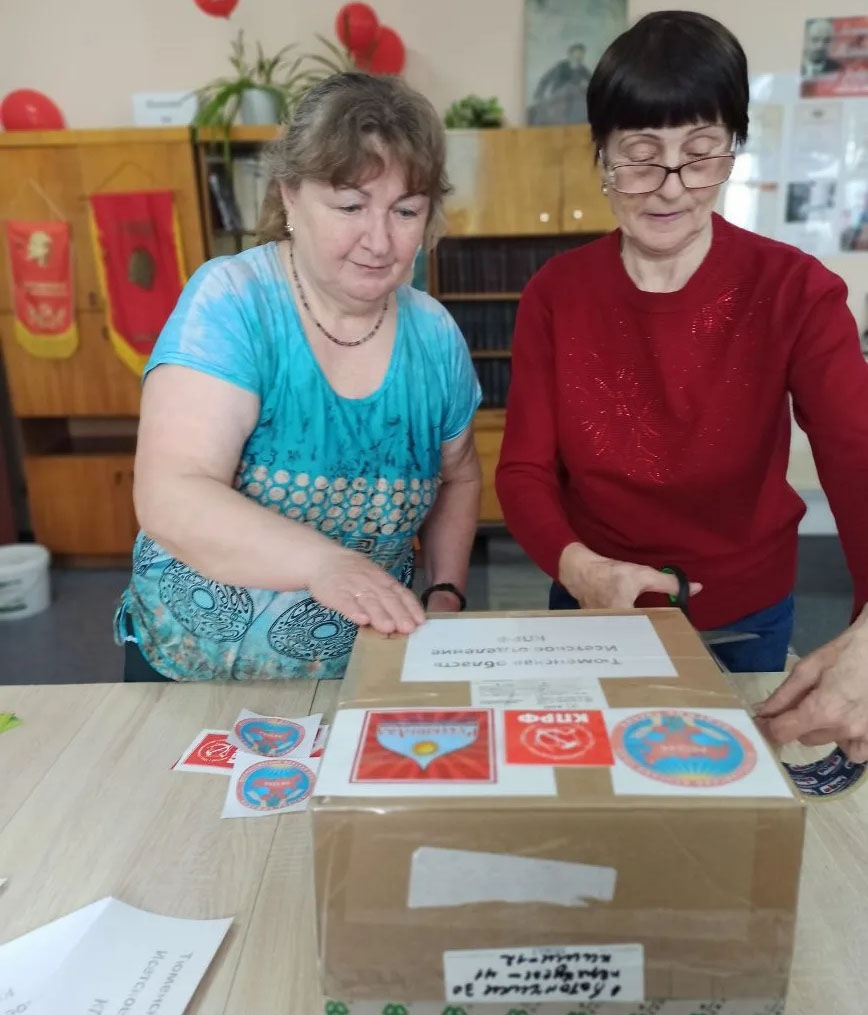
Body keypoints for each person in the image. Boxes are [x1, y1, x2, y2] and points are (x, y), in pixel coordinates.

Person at [495, 12, 868, 761]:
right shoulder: (556, 295)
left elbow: (859, 459)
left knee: (730, 801)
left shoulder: (796, 290)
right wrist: (578, 567)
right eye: (640, 156)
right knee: (589, 789)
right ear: (601, 156)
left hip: (743, 616)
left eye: (699, 155)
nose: (670, 187)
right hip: (592, 605)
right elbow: (523, 470)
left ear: (732, 150)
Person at [116, 72, 482, 682]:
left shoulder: (435, 335)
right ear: (289, 195)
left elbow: (459, 475)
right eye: (350, 206)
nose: (380, 240)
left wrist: (446, 590)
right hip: (196, 674)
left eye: (406, 211)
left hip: (362, 666)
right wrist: (324, 564)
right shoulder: (233, 301)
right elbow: (172, 492)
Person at [529, 43, 592, 125]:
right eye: (576, 55)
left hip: (574, 98)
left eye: (580, 55)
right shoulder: (561, 66)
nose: (578, 57)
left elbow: (592, 83)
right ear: (570, 55)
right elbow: (546, 78)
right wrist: (539, 93)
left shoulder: (583, 70)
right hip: (559, 95)